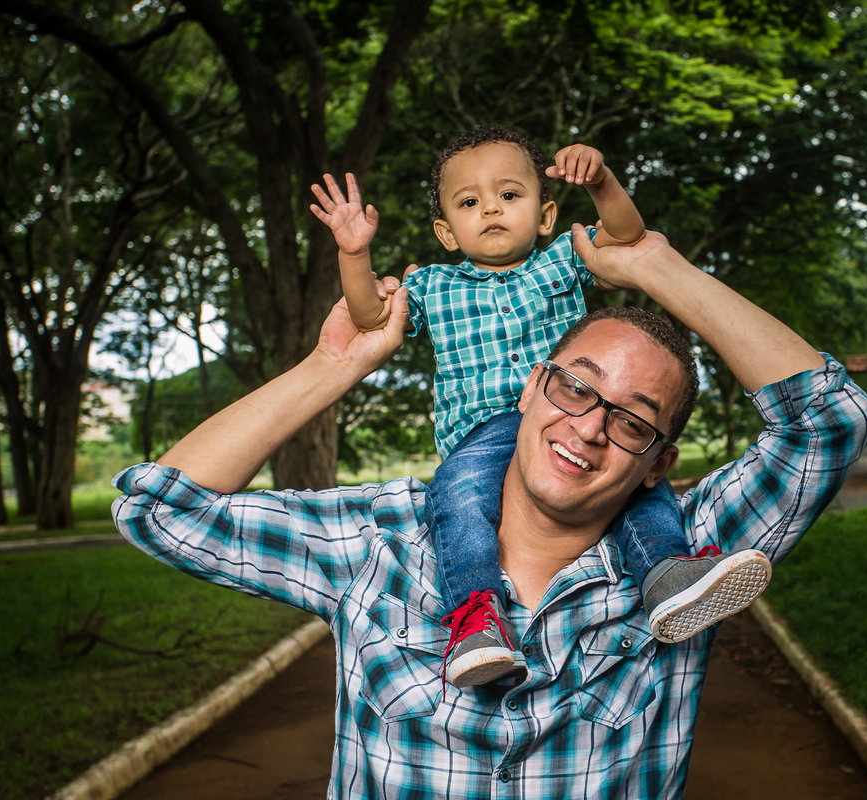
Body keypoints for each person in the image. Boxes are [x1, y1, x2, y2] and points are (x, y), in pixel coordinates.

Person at [112, 227, 867, 799]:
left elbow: (830, 421)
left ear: (659, 464)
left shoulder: (692, 566)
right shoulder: (380, 541)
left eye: (634, 420)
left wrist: (649, 263)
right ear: (528, 388)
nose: (588, 428)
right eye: (576, 387)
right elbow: (158, 509)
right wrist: (334, 366)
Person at [308, 126, 771, 687]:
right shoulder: (431, 285)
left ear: (546, 215)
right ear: (446, 232)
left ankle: (668, 575)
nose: (491, 210)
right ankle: (476, 620)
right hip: (482, 435)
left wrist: (600, 181)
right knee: (456, 502)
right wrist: (354, 254)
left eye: (509, 195)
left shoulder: (559, 261)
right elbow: (370, 319)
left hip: (568, 416)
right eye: (469, 202)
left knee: (633, 488)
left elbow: (626, 238)